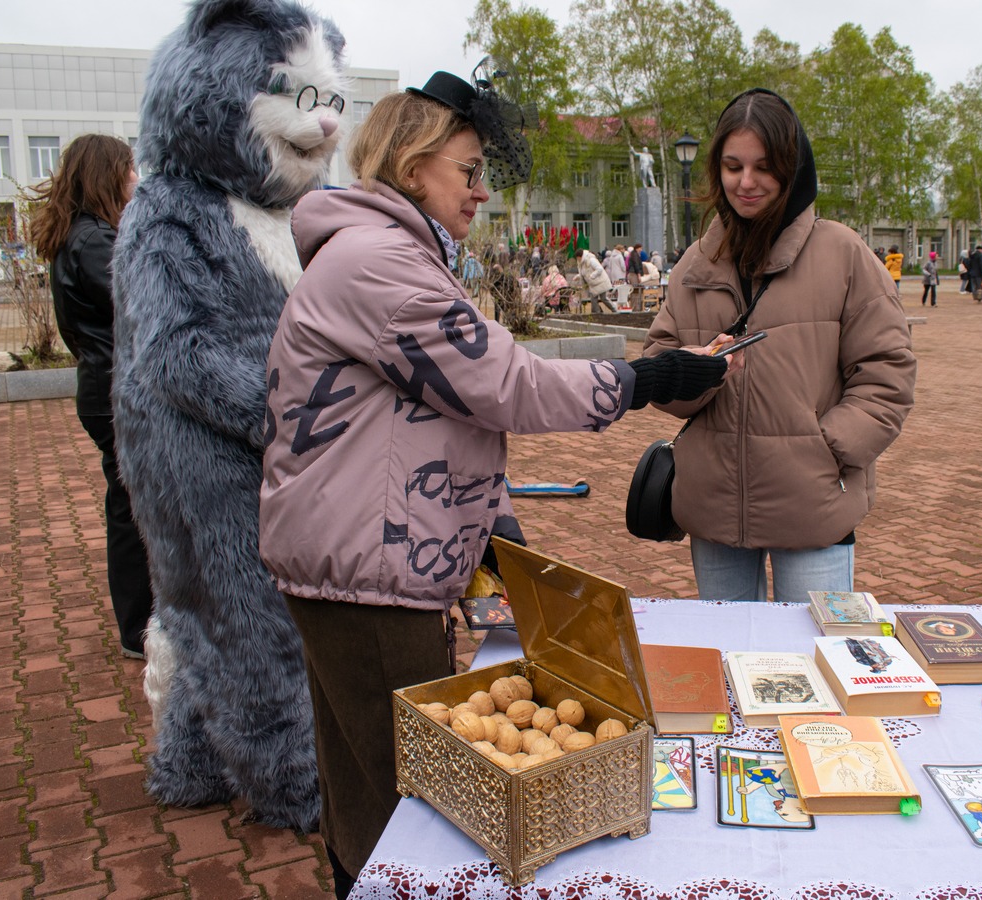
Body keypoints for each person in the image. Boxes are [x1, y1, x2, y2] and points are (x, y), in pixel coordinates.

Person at [258, 71, 726, 897]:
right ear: (412, 168)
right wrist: (650, 378)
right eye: (467, 170)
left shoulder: (395, 255)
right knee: (398, 805)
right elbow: (507, 386)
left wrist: (492, 522)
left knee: (363, 780)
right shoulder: (383, 264)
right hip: (370, 575)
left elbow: (446, 413)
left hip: (367, 556)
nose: (481, 190)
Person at [643, 88, 915, 603]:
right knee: (730, 659)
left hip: (813, 508)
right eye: (732, 165)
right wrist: (699, 374)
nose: (746, 182)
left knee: (815, 661)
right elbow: (660, 368)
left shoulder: (842, 253)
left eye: (764, 166)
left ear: (793, 167)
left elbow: (888, 371)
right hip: (715, 510)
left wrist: (827, 447)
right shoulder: (696, 264)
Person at [27, 133, 153, 659]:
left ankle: (141, 621)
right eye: (128, 169)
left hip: (103, 385)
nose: (135, 178)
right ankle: (137, 628)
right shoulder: (94, 241)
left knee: (129, 504)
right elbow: (142, 301)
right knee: (130, 508)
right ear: (106, 174)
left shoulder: (83, 235)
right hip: (112, 390)